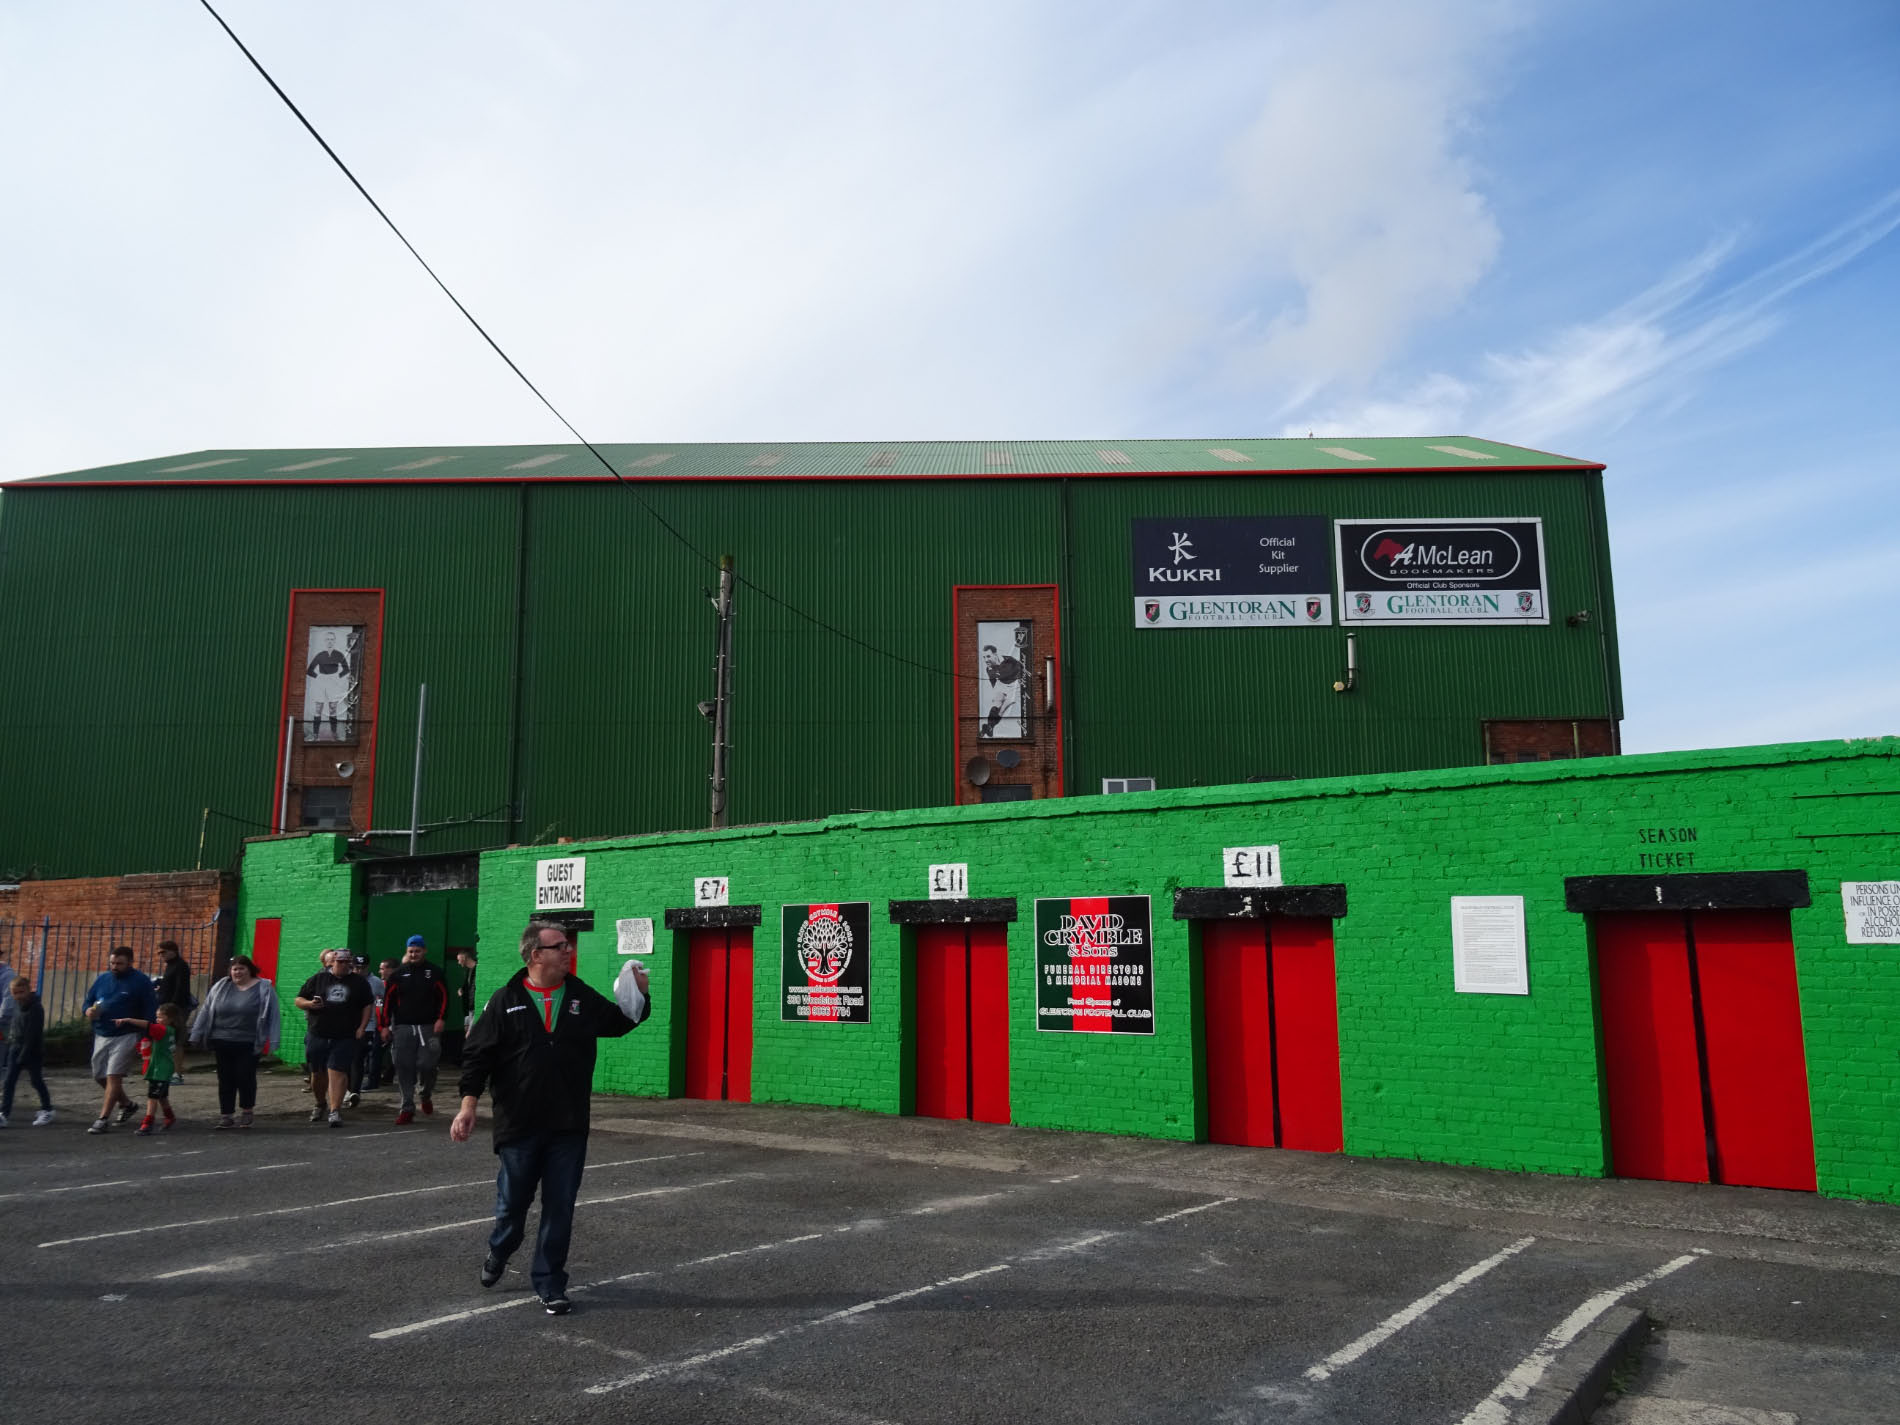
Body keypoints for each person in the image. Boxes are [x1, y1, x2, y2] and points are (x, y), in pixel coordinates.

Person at [451, 921, 649, 1315]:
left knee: (560, 1206)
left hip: (568, 1123)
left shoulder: (579, 996)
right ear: (535, 955)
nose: (568, 950)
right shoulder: (505, 1000)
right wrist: (468, 1105)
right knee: (513, 1205)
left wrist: (639, 993)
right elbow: (477, 1056)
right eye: (559, 946)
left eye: (567, 945)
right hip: (519, 1122)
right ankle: (500, 1249)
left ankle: (550, 1282)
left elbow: (620, 1022)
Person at [190, 954, 279, 1129]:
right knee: (225, 1078)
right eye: (234, 969)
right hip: (221, 1039)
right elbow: (206, 1009)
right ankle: (226, 1115)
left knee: (245, 1076)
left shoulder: (264, 988)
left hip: (248, 1041)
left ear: (250, 970)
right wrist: (196, 1033)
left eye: (241, 969)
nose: (237, 972)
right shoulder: (221, 986)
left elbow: (273, 1015)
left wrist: (274, 1041)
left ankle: (247, 1111)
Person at [294, 948, 374, 1128]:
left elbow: (367, 1005)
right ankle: (320, 1103)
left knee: (338, 1071)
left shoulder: (359, 982)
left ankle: (335, 1110)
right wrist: (310, 1004)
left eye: (347, 962)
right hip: (318, 1032)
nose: (344, 965)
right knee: (317, 1073)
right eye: (340, 962)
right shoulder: (318, 979)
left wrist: (362, 1027)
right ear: (333, 963)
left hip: (345, 1035)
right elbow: (298, 999)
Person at [83, 946, 158, 1134]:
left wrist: (147, 1035)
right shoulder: (103, 979)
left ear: (130, 963)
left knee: (113, 1075)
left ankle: (103, 1119)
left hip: (127, 1034)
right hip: (102, 1032)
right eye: (112, 963)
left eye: (119, 963)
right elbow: (88, 1000)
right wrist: (88, 1010)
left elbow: (150, 1009)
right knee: (99, 1075)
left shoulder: (141, 982)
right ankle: (126, 1104)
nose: (115, 967)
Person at [384, 934, 447, 1125]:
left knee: (428, 1065)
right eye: (411, 951)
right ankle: (407, 1108)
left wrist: (441, 1018)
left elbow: (444, 997)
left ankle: (425, 1093)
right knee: (403, 1066)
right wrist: (384, 1026)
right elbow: (388, 1002)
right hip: (403, 1027)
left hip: (428, 1027)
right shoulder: (398, 975)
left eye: (417, 951)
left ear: (424, 951)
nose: (414, 954)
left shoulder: (434, 972)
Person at [0, 975, 54, 1127]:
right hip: (15, 1047)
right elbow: (15, 1024)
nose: (18, 996)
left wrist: (23, 1055)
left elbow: (32, 1034)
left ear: (29, 990)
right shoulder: (17, 1005)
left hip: (32, 1051)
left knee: (36, 1081)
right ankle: (4, 1113)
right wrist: (11, 1042)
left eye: (21, 992)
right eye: (15, 993)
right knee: (9, 1082)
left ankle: (47, 1109)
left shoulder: (36, 1008)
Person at [124, 1003, 185, 1135]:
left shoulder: (162, 1030)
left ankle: (147, 1124)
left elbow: (147, 1025)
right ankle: (169, 1117)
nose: (157, 1020)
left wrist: (128, 1020)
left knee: (152, 1097)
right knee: (161, 1096)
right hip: (164, 1067)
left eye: (161, 1017)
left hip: (160, 1069)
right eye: (157, 1017)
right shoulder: (170, 1030)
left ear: (170, 1019)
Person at [154, 940, 195, 1083]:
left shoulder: (180, 965)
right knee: (167, 1040)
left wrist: (172, 1008)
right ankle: (169, 1070)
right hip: (167, 1006)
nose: (161, 955)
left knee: (177, 1040)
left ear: (173, 951)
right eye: (159, 953)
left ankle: (177, 1073)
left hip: (176, 1008)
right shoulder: (171, 965)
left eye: (163, 952)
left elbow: (180, 988)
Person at [442, 948, 478, 1064]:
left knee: (470, 1035)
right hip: (469, 1009)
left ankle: (471, 1062)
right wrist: (462, 990)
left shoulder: (478, 970)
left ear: (464, 957)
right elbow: (469, 988)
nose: (458, 962)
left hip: (476, 1008)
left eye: (459, 959)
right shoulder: (469, 971)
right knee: (469, 1034)